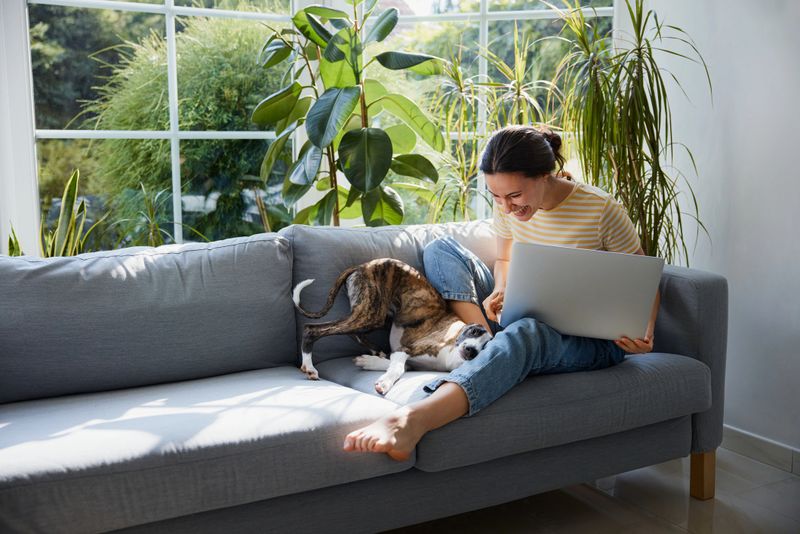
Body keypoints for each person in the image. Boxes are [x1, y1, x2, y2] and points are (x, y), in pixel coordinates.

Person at [342, 125, 660, 461]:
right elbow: (506, 257)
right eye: (497, 197)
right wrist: (501, 288)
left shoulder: (600, 209)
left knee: (529, 332)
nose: (507, 208)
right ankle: (490, 339)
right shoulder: (507, 206)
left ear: (544, 175)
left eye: (515, 196)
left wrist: (645, 331)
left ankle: (414, 418)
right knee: (440, 250)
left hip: (588, 340)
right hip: (525, 311)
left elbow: (643, 278)